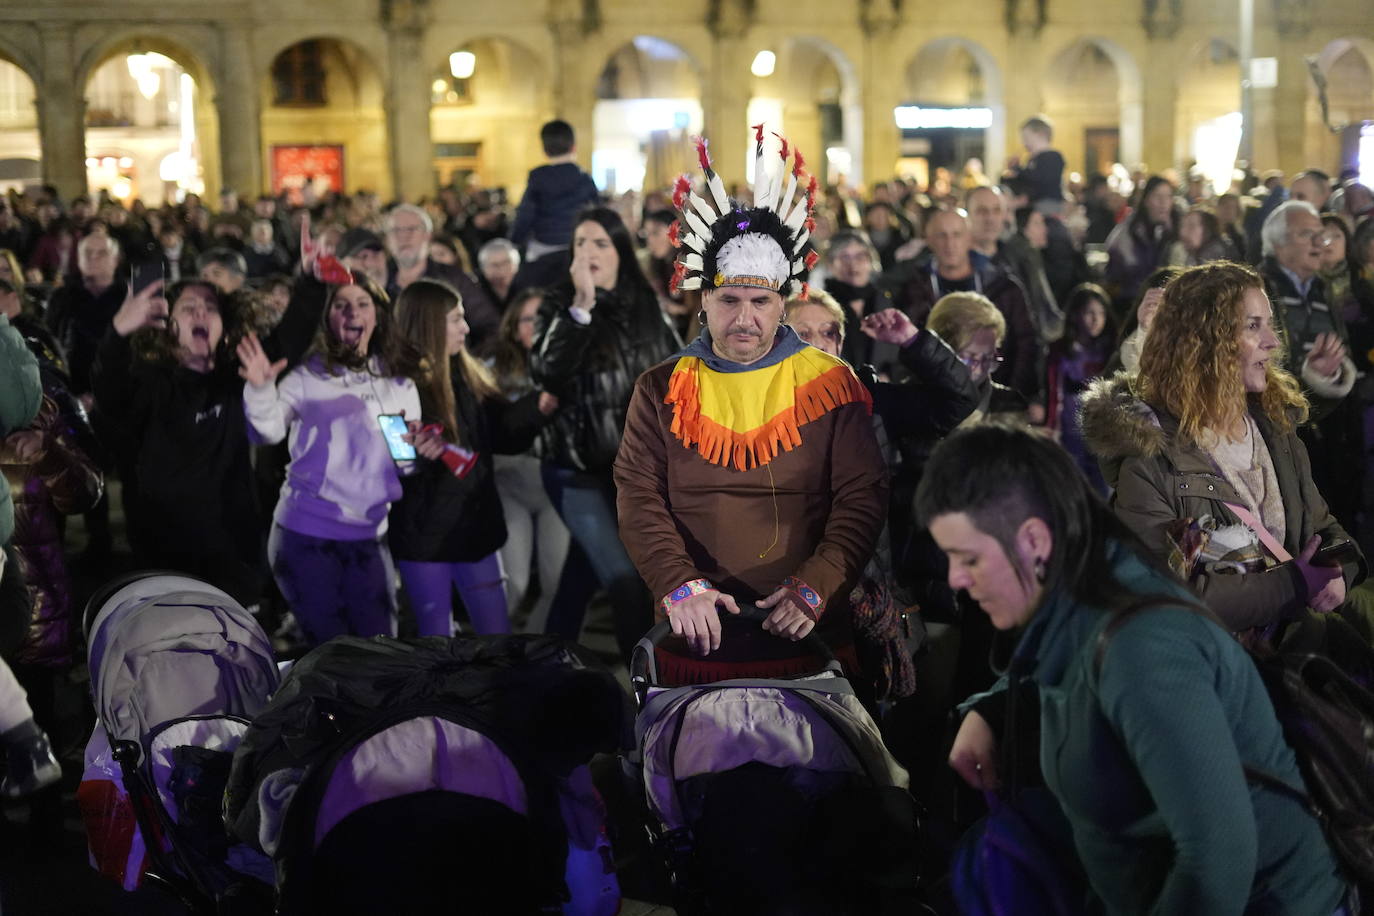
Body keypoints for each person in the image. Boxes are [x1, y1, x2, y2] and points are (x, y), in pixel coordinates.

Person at [919, 424, 1351, 915]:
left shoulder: (1143, 649)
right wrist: (992, 713)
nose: (955, 578)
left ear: (1035, 540)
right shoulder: (1090, 595)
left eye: (968, 557)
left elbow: (1218, 863)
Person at [614, 131, 887, 683]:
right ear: (703, 301)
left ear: (782, 303)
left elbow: (861, 498)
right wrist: (678, 585)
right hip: (693, 626)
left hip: (806, 626)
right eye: (729, 300)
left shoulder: (832, 385)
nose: (745, 318)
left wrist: (816, 585)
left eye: (760, 301)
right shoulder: (660, 388)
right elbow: (639, 497)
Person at [1081, 262, 1364, 632]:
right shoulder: (1154, 458)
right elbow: (1173, 593)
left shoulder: (1276, 429)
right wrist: (1293, 584)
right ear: (1204, 341)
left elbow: (1324, 530)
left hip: (1295, 663)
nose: (1273, 341)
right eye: (1253, 325)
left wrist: (1340, 573)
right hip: (1220, 674)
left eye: (1269, 323)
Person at [238, 276, 421, 647]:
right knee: (331, 655)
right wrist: (259, 390)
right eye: (341, 304)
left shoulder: (400, 382)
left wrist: (417, 450)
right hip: (307, 536)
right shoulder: (308, 377)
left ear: (378, 317)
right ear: (328, 318)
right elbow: (267, 432)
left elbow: (405, 463)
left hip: (370, 538)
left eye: (363, 303)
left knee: (381, 652)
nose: (352, 311)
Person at [530, 206, 679, 656]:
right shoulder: (561, 303)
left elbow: (674, 371)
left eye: (600, 243)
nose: (589, 252)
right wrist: (581, 307)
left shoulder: (644, 301)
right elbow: (547, 371)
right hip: (576, 470)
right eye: (580, 243)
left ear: (620, 251)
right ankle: (644, 692)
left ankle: (547, 665)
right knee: (625, 581)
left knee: (582, 574)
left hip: (632, 471)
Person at [390, 279, 555, 636]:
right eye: (455, 319)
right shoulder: (398, 382)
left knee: (497, 635)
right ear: (428, 323)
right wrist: (416, 455)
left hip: (475, 526)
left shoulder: (466, 371)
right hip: (425, 536)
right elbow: (395, 459)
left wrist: (538, 408)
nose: (466, 327)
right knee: (436, 640)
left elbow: (501, 434)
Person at [92, 279, 264, 604]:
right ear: (168, 327)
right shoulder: (150, 380)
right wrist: (116, 333)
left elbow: (288, 345)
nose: (201, 312)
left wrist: (312, 283)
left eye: (210, 308)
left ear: (224, 326)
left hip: (232, 552)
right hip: (164, 551)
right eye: (188, 308)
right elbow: (111, 394)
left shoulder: (236, 377)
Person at [489, 289, 572, 633]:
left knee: (557, 585)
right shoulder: (491, 371)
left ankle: (533, 657)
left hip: (555, 489)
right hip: (510, 487)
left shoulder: (569, 368)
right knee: (514, 586)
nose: (536, 327)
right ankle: (494, 655)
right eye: (527, 319)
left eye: (543, 319)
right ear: (512, 326)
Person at [897, 208, 1039, 400]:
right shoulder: (913, 288)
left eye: (957, 234)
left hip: (993, 397)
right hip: (935, 399)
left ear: (970, 238)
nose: (950, 244)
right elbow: (903, 345)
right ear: (928, 240)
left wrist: (1013, 395)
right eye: (942, 235)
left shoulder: (1003, 285)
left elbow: (1026, 342)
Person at [382, 203, 499, 355]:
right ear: (387, 239)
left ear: (428, 236)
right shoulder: (380, 282)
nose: (404, 236)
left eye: (411, 229)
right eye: (396, 230)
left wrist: (466, 363)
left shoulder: (454, 279)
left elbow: (490, 326)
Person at [510, 120, 601, 292]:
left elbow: (525, 214)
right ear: (574, 147)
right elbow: (597, 213)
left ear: (545, 150)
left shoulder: (537, 178)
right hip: (577, 248)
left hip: (543, 248)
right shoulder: (585, 179)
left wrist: (515, 240)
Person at [1045, 283, 1115, 493]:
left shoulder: (1110, 350)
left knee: (1103, 487)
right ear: (1076, 315)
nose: (1096, 319)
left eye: (1101, 313)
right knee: (1073, 486)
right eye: (1089, 313)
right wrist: (1051, 427)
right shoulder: (1060, 350)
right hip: (1070, 427)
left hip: (1102, 429)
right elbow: (1052, 390)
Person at [926, 291, 1029, 426]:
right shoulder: (908, 402)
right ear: (940, 351)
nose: (979, 370)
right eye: (969, 358)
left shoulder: (1009, 406)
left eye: (988, 358)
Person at [822, 231, 898, 371]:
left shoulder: (885, 300)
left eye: (860, 256)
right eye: (845, 257)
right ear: (831, 263)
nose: (853, 264)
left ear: (871, 261)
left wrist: (890, 374)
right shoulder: (821, 304)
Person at [1105, 175, 1178, 310]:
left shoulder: (1175, 229)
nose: (1164, 202)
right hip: (1131, 302)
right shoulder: (1129, 231)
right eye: (1157, 196)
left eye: (1168, 196)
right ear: (1146, 200)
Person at [1002, 116, 1065, 213]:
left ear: (1040, 135)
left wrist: (1018, 171)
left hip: (1048, 208)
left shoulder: (1053, 157)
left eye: (1026, 138)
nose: (1024, 143)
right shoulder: (1032, 159)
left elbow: (1041, 181)